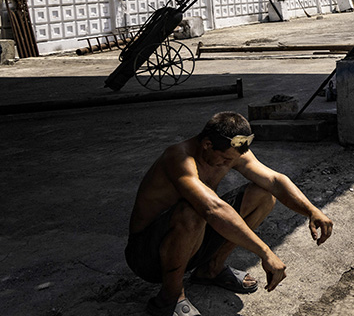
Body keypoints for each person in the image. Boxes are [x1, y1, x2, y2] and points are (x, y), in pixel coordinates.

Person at [126, 111, 333, 316]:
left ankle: (211, 269)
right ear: (207, 144)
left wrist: (312, 211)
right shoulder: (179, 158)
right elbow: (212, 209)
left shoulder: (232, 149)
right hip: (147, 256)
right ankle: (169, 297)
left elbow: (275, 181)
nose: (228, 164)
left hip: (192, 240)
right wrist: (265, 252)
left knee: (263, 195)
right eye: (225, 159)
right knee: (194, 210)